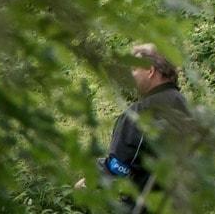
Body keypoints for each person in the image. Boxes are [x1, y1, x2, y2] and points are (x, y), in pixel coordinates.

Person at [76, 43, 192, 202]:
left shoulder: (140, 114)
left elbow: (118, 168)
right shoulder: (187, 107)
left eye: (134, 69)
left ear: (150, 71)